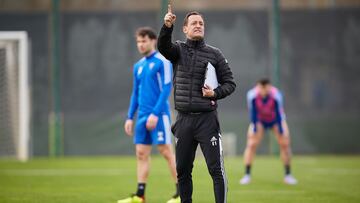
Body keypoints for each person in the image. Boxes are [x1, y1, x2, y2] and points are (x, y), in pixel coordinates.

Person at [158, 5, 236, 203]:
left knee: (215, 170)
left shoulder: (215, 54)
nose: (198, 26)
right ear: (185, 29)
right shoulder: (178, 50)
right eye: (194, 23)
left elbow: (230, 84)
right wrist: (167, 26)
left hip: (207, 121)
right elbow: (163, 47)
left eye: (201, 23)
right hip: (183, 121)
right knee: (183, 171)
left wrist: (215, 93)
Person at [118, 27, 180, 203]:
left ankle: (180, 193)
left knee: (166, 152)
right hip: (142, 116)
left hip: (159, 115)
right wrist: (130, 116)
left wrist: (155, 113)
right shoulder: (138, 66)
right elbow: (135, 93)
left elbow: (167, 88)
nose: (140, 44)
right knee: (141, 154)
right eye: (138, 41)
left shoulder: (162, 61)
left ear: (153, 41)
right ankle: (140, 195)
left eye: (144, 41)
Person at [239, 78, 298, 185]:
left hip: (275, 119)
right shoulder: (252, 95)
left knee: (285, 144)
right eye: (261, 87)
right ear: (257, 87)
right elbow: (253, 112)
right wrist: (255, 127)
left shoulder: (276, 95)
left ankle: (288, 175)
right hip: (260, 120)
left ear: (269, 87)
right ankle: (247, 175)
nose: (263, 90)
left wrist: (280, 128)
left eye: (266, 87)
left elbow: (279, 113)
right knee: (251, 144)